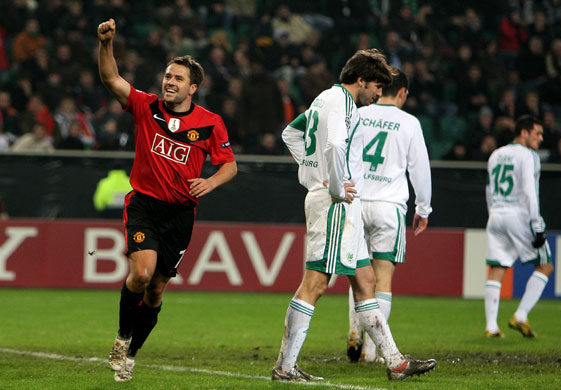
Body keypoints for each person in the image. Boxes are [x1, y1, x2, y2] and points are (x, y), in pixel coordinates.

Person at [274, 49, 436, 382]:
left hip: (347, 205)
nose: (378, 94)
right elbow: (334, 145)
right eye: (377, 86)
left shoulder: (324, 99)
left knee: (365, 282)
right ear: (361, 80)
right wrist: (332, 184)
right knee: (315, 284)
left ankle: (395, 362)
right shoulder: (342, 104)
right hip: (335, 205)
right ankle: (285, 367)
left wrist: (311, 169)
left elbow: (291, 133)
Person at [97, 18, 237, 382]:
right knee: (141, 274)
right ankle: (122, 337)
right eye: (167, 76)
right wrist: (106, 44)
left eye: (177, 79)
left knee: (156, 291)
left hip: (180, 215)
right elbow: (111, 79)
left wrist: (211, 182)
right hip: (144, 204)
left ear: (192, 88)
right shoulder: (145, 107)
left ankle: (131, 353)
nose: (169, 82)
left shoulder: (210, 123)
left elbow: (230, 166)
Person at [346, 69, 432, 364]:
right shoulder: (409, 122)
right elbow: (419, 169)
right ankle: (372, 351)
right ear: (403, 93)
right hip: (388, 205)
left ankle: (354, 330)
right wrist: (424, 208)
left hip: (355, 202)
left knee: (358, 273)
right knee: (382, 278)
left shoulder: (358, 114)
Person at [484, 115, 553, 338]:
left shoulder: (496, 154)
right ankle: (520, 315)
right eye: (537, 133)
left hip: (495, 214)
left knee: (497, 268)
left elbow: (488, 190)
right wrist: (537, 225)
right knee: (545, 266)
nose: (541, 138)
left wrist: (493, 213)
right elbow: (530, 192)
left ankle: (491, 326)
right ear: (524, 133)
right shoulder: (529, 156)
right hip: (519, 215)